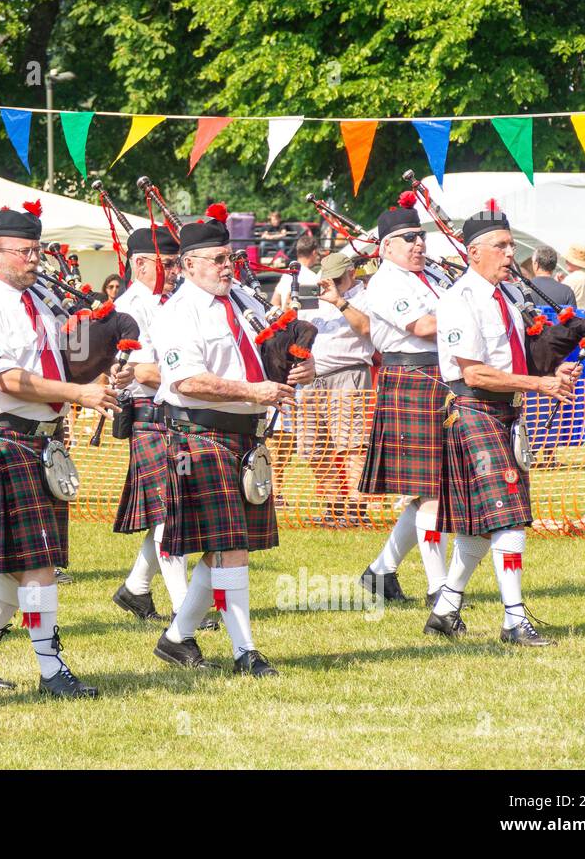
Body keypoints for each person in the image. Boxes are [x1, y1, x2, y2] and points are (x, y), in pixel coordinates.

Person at [0, 201, 123, 699]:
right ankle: (51, 669)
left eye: (37, 249)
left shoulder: (43, 300)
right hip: (6, 437)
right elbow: (7, 378)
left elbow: (64, 360)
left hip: (41, 441)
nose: (34, 259)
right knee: (40, 560)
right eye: (25, 251)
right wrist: (79, 395)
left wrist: (105, 371)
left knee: (19, 560)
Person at [151, 211, 313, 675]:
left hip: (245, 436)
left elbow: (269, 354)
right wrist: (252, 392)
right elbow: (186, 381)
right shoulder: (178, 313)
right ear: (188, 265)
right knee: (231, 545)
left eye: (231, 257)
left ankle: (177, 639)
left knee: (226, 542)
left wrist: (301, 368)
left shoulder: (244, 299)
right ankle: (245, 652)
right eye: (218, 259)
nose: (228, 267)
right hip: (200, 432)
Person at [424, 209, 578, 647]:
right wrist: (538, 384)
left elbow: (516, 356)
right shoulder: (460, 300)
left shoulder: (506, 296)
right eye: (502, 246)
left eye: (512, 246)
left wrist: (557, 364)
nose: (511, 254)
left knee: (477, 525)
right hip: (475, 410)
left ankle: (445, 609)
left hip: (506, 412)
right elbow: (473, 373)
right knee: (509, 517)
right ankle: (513, 620)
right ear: (474, 253)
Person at [356, 203, 454, 605]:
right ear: (386, 247)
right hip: (412, 378)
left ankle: (380, 572)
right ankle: (439, 589)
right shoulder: (385, 283)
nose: (419, 244)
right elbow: (424, 326)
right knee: (431, 490)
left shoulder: (429, 276)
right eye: (409, 238)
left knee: (430, 489)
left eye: (421, 236)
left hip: (440, 377)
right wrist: (470, 316)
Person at [110, 227, 193, 624]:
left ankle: (135, 590)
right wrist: (196, 377)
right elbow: (141, 369)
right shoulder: (131, 307)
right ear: (140, 263)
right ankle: (184, 607)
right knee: (168, 511)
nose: (176, 271)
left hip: (175, 412)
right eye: (170, 263)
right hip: (150, 413)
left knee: (169, 506)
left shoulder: (170, 301)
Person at [299, 252, 375, 526]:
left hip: (347, 374)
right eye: (325, 280)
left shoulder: (365, 298)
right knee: (312, 446)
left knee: (351, 444)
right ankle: (333, 506)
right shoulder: (313, 297)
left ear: (351, 274)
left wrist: (340, 302)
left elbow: (367, 328)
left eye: (336, 279)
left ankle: (356, 509)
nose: (329, 284)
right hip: (312, 378)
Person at [270, 232, 321, 311]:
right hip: (303, 322)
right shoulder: (313, 278)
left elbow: (274, 303)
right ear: (314, 253)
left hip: (287, 320)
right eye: (318, 253)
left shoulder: (286, 274)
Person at [529, 245, 577, 311]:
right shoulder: (567, 291)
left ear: (536, 264)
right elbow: (574, 319)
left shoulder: (523, 288)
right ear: (554, 265)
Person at [562, 244, 585, 314]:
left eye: (568, 260)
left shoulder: (572, 279)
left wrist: (558, 284)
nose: (566, 262)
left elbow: (560, 300)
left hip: (576, 320)